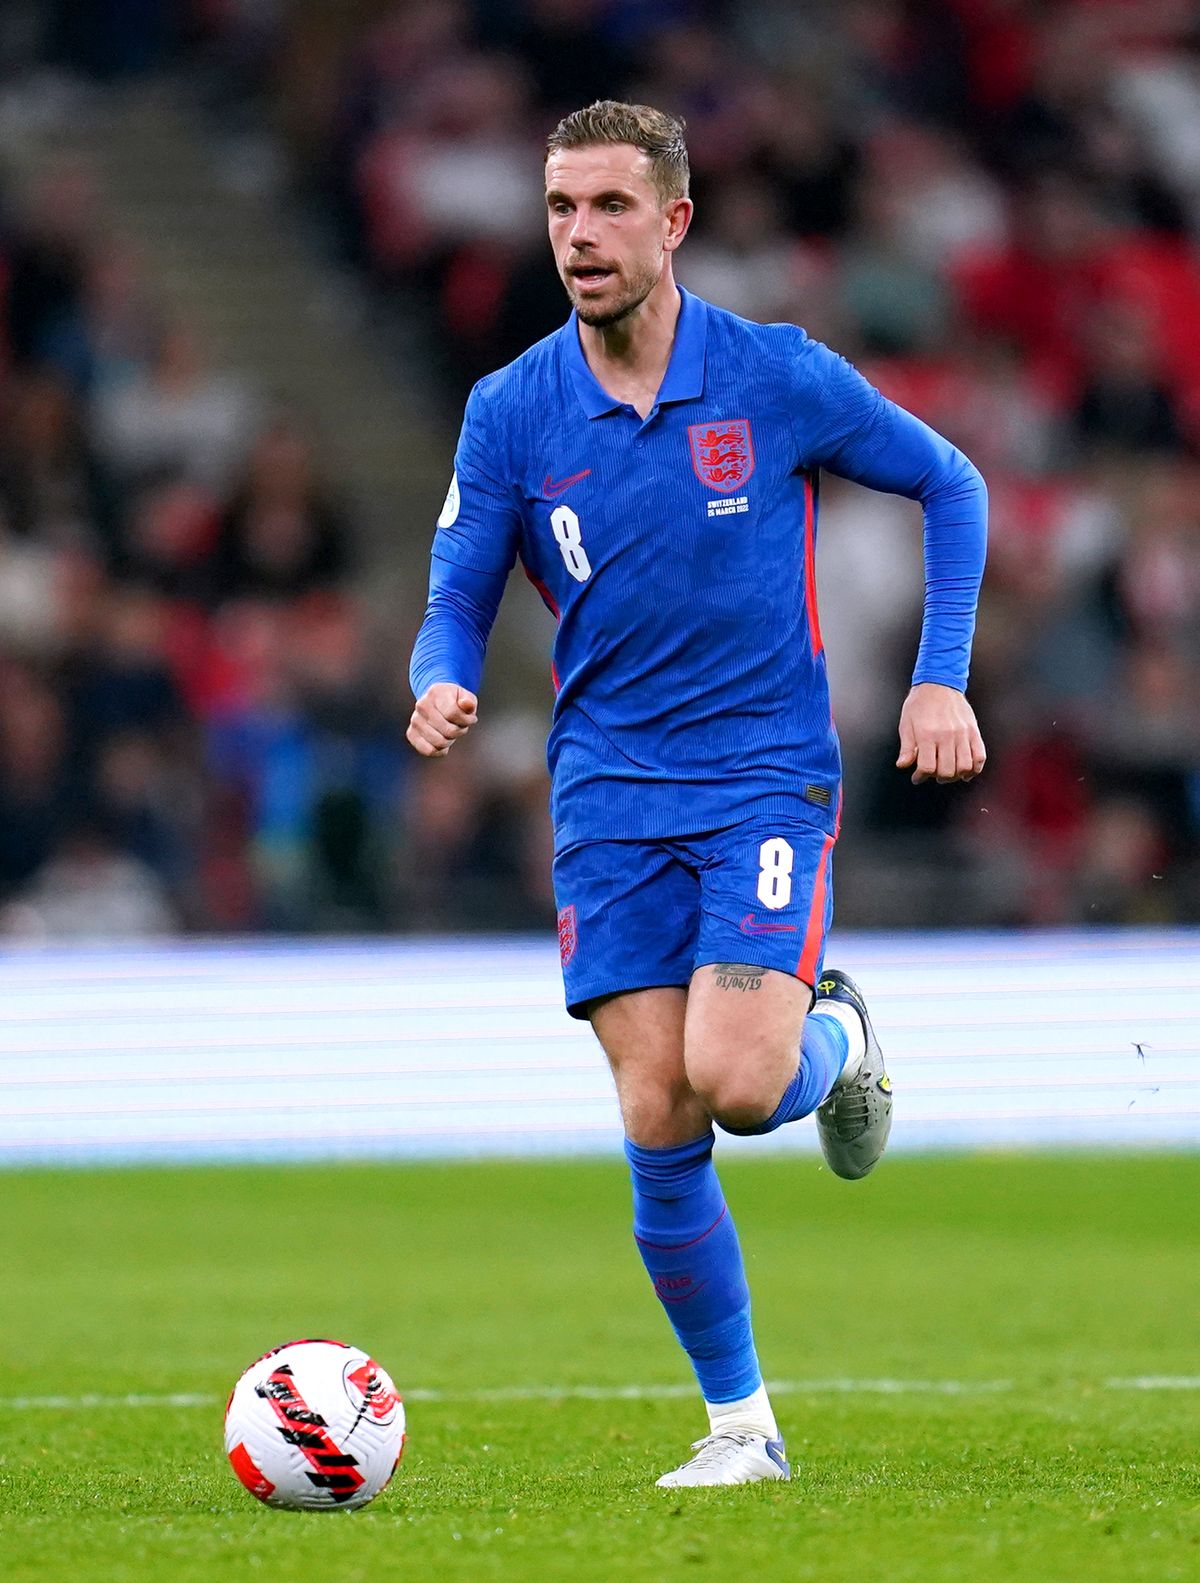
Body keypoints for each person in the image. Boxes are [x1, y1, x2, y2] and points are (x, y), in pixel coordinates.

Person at [407, 101, 987, 1488]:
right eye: (560, 209)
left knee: (734, 1087)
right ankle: (744, 1430)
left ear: (673, 223)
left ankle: (838, 1042)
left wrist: (940, 677)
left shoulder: (774, 376)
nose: (579, 236)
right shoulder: (511, 410)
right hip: (607, 792)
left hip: (760, 780)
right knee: (655, 1113)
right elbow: (455, 592)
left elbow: (951, 484)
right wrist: (438, 678)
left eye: (609, 208)